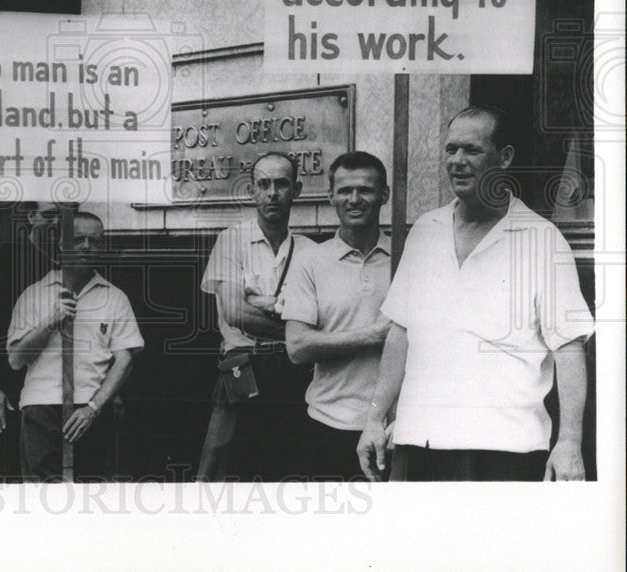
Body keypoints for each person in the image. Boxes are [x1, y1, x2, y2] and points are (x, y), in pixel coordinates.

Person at [357, 106, 595, 481]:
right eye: (451, 150)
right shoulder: (425, 230)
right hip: (421, 441)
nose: (457, 161)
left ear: (505, 157)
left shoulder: (541, 239)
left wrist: (569, 442)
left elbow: (568, 347)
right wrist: (374, 417)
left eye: (472, 150)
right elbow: (401, 331)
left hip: (505, 449)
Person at [196, 152, 317, 481]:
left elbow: (320, 319)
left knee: (285, 468)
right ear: (252, 191)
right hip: (242, 368)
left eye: (281, 184)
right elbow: (236, 313)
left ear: (297, 190)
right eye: (263, 184)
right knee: (223, 470)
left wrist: (258, 301)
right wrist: (294, 326)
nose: (272, 193)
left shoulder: (310, 252)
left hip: (294, 370)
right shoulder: (232, 240)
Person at [7, 211, 143, 481]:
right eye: (78, 239)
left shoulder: (115, 298)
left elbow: (125, 360)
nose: (86, 247)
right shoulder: (34, 294)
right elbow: (16, 359)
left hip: (90, 408)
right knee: (41, 498)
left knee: (89, 497)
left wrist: (93, 408)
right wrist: (50, 322)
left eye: (94, 241)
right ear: (61, 244)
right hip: (41, 407)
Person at [281, 151, 392, 480]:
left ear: (384, 195)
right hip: (328, 425)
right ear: (331, 196)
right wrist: (372, 335)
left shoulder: (407, 257)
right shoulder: (310, 261)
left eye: (366, 190)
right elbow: (297, 347)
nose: (354, 199)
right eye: (344, 190)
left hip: (392, 430)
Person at [0, 202, 60, 481]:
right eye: (48, 215)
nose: (56, 222)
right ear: (31, 216)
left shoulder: (71, 258)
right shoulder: (7, 258)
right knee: (14, 478)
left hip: (54, 390)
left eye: (62, 215)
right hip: (12, 388)